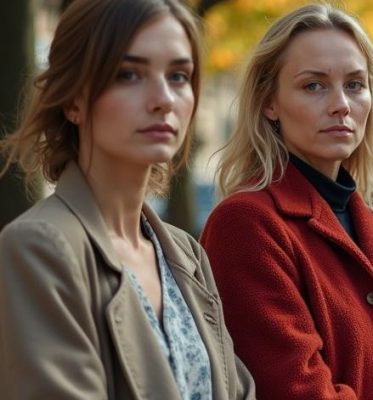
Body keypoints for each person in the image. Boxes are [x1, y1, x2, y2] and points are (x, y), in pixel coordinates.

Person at [199, 5, 373, 399]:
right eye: (314, 85)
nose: (341, 104)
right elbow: (296, 388)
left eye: (355, 84)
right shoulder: (246, 225)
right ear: (269, 102)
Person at [0, 0, 255, 398]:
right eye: (129, 74)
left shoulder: (186, 254)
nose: (164, 99)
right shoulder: (38, 247)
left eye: (179, 76)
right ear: (73, 100)